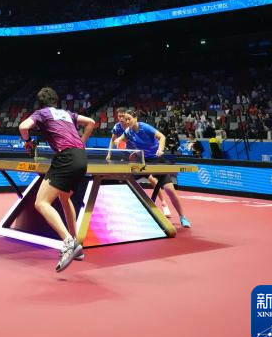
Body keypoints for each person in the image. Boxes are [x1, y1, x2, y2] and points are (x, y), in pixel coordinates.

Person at [19, 87, 96, 273]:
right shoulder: (67, 113)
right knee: (64, 197)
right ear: (56, 101)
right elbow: (91, 122)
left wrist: (27, 141)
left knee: (41, 202)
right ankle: (76, 244)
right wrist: (82, 142)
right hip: (81, 157)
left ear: (40, 104)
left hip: (66, 157)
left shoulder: (42, 113)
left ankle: (68, 242)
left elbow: (23, 127)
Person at [111, 108, 192, 229]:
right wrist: (118, 140)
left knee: (169, 190)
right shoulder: (129, 131)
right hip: (142, 162)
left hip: (157, 160)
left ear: (135, 118)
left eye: (129, 119)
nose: (127, 121)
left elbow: (162, 137)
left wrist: (160, 149)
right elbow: (121, 138)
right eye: (125, 119)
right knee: (125, 181)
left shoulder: (145, 127)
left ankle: (182, 217)